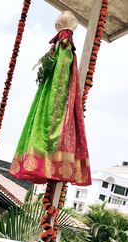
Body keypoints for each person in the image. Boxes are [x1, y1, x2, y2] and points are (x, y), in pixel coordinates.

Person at [9, 11, 91, 187]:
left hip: (48, 94)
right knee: (55, 125)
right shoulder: (65, 45)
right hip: (56, 96)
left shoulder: (57, 48)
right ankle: (50, 160)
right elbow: (60, 81)